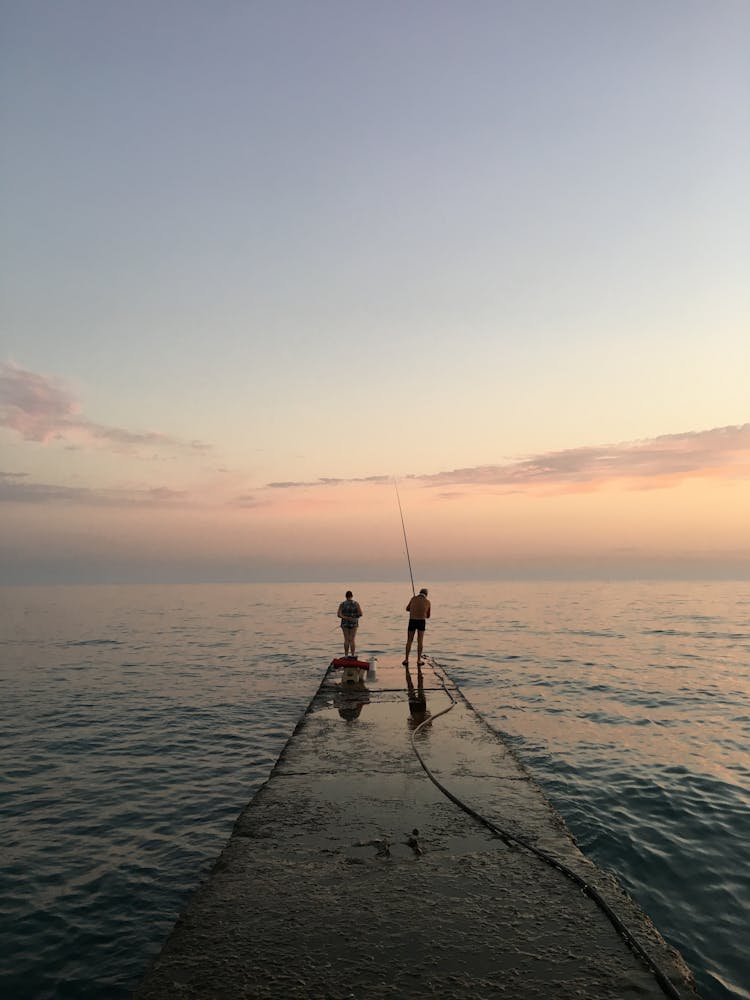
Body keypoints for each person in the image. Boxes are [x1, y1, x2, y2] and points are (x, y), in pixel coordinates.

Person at [403, 587, 430, 666]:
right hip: (421, 621)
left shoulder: (413, 598)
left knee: (409, 640)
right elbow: (428, 616)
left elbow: (407, 609)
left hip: (412, 621)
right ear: (426, 595)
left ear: (420, 592)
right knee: (420, 641)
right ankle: (418, 660)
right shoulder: (428, 602)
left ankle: (406, 659)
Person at [337, 590, 363, 658]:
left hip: (344, 623)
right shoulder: (356, 604)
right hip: (354, 623)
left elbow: (339, 614)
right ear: (352, 596)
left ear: (346, 596)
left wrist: (345, 617)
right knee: (352, 639)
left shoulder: (342, 604)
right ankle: (352, 655)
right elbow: (360, 614)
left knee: (346, 639)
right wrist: (353, 617)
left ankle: (346, 655)